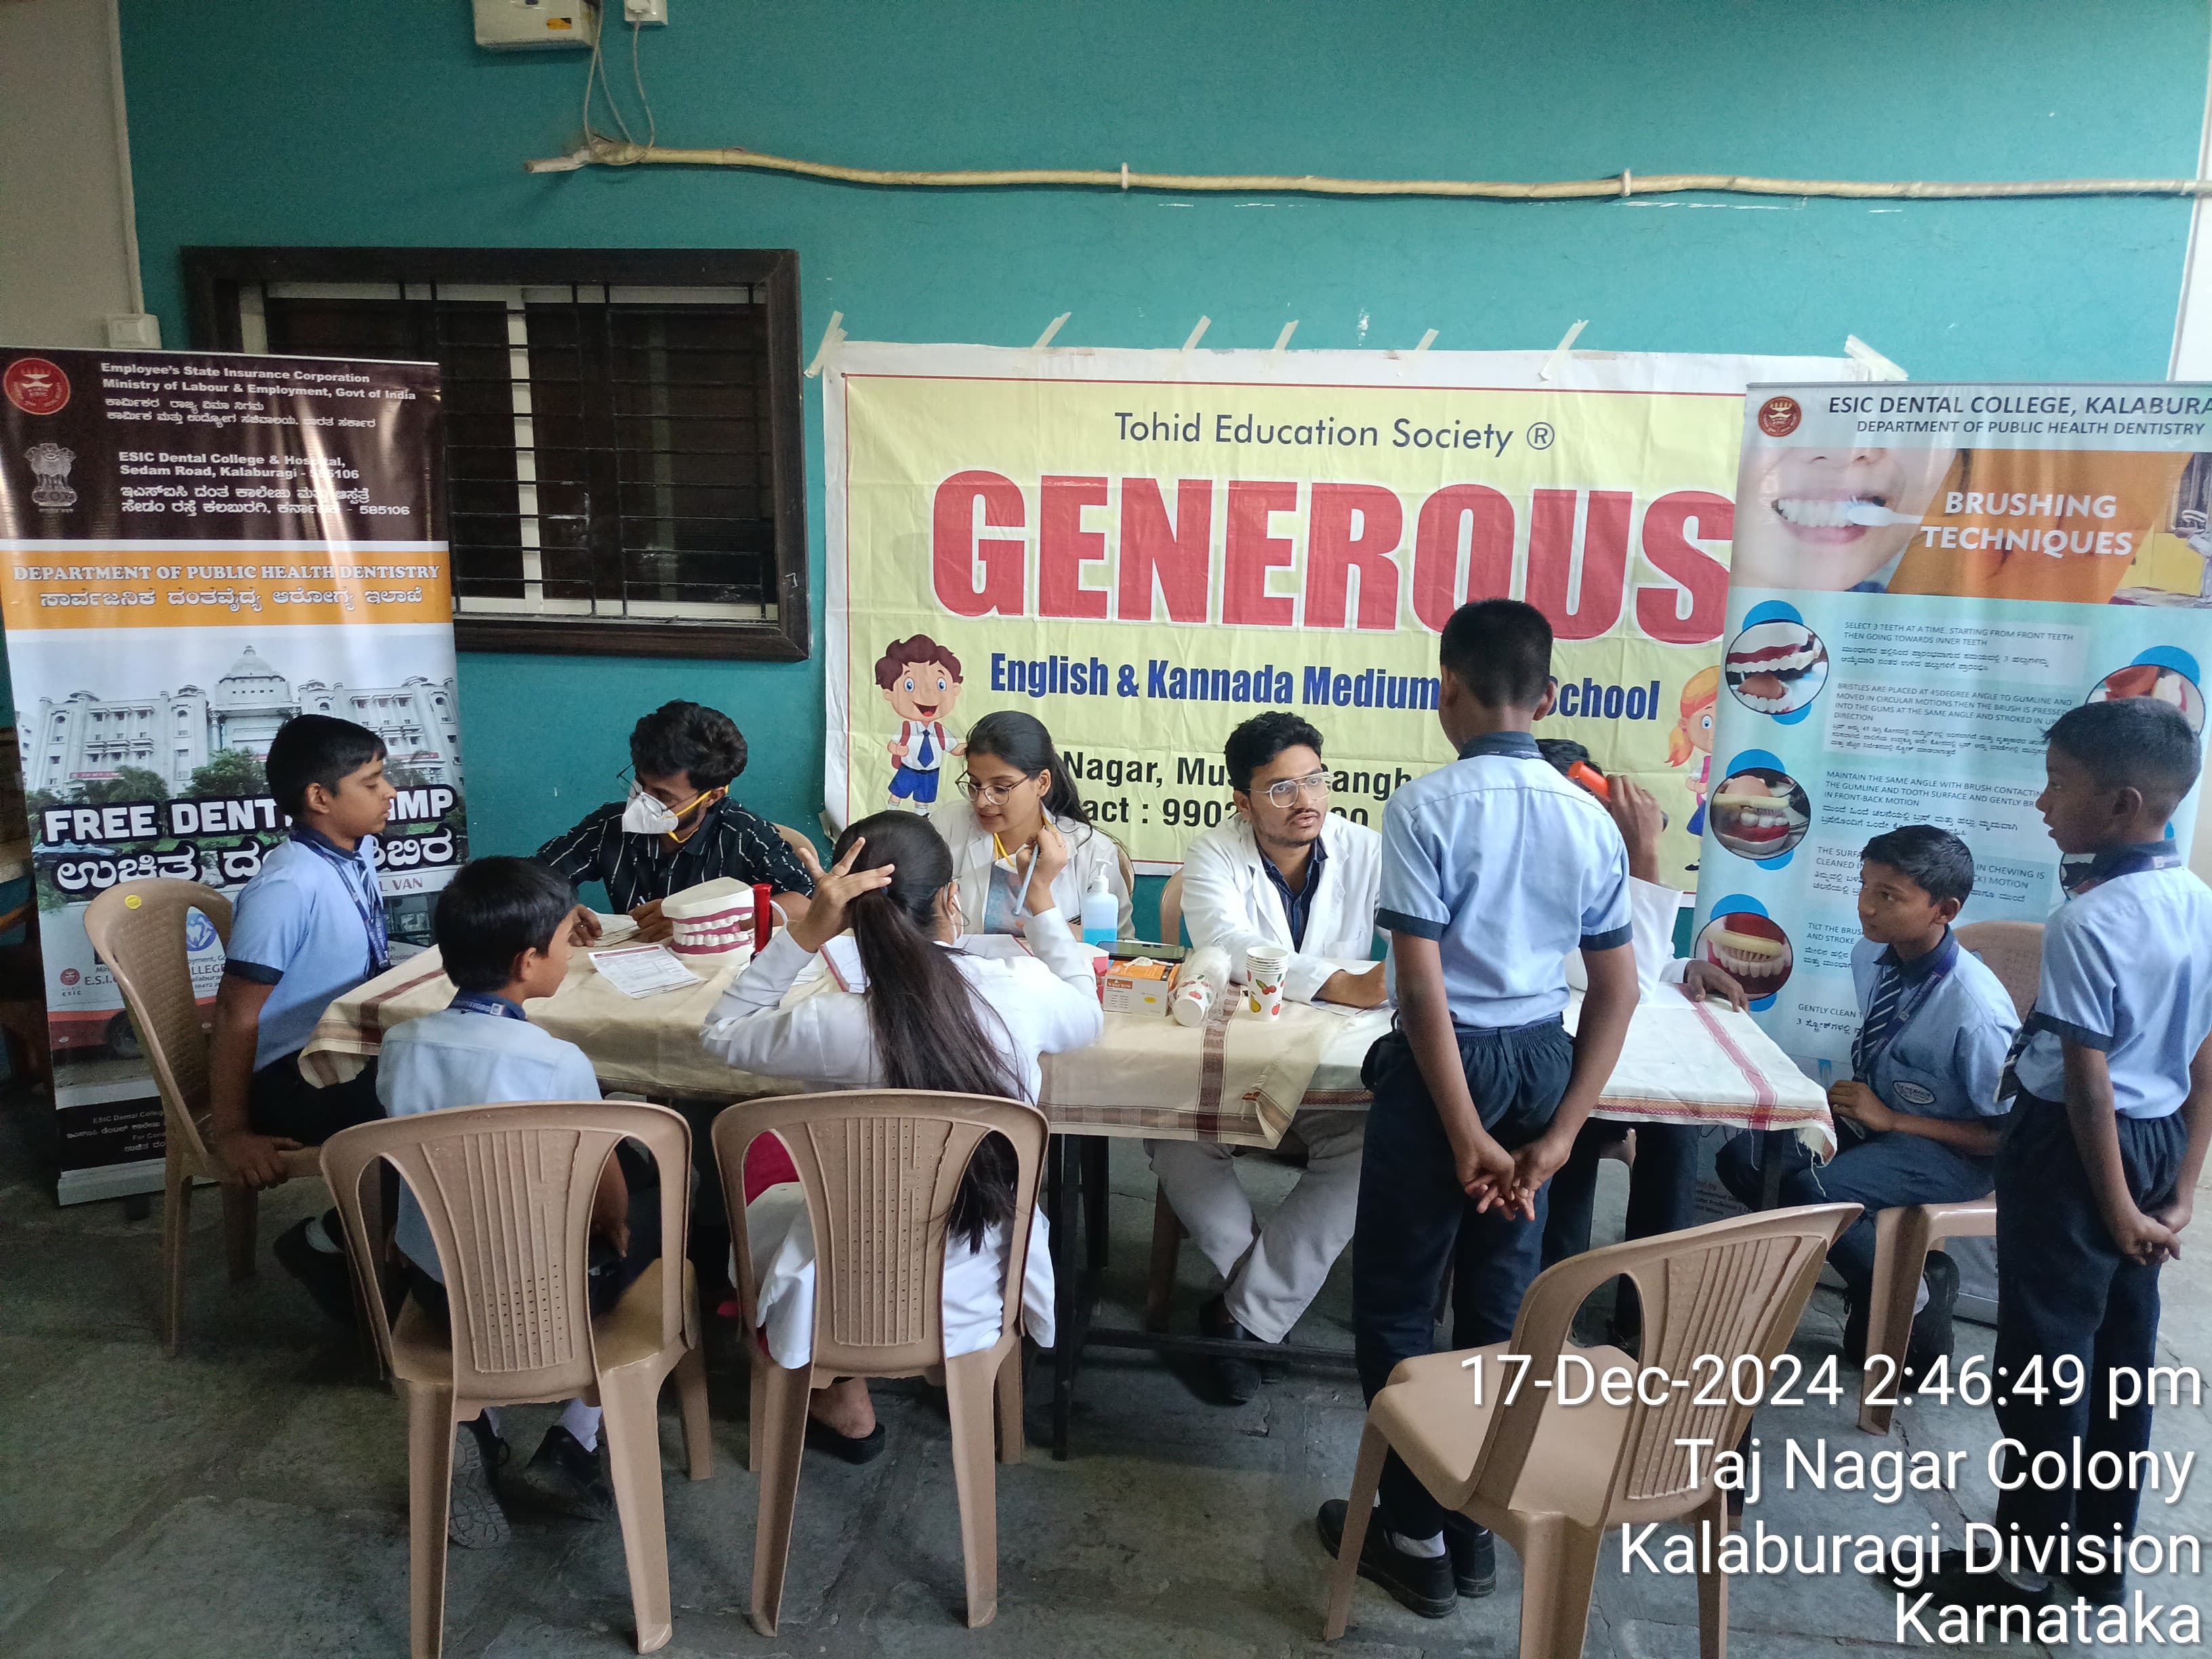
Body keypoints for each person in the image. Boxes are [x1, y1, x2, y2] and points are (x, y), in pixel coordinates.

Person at [1318, 600, 1640, 1620]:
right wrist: (1562, 1135)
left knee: (1398, 1299)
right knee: (1503, 1303)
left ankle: (1412, 1530)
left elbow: (1419, 991)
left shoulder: (1426, 807)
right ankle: (1477, 1522)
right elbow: (1619, 989)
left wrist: (1461, 1131)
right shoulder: (1589, 818)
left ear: (1446, 689)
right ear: (1548, 697)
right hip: (1543, 1061)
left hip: (1448, 1069)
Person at [1921, 699, 2212, 1616]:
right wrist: (2179, 1193)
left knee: (2043, 1365)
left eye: (2058, 784)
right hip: (2156, 1143)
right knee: (2120, 1359)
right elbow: (2204, 1060)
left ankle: (2020, 1575)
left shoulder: (2090, 920)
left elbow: (2087, 1082)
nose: (2043, 802)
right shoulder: (2200, 903)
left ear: (2123, 804)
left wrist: (2114, 1206)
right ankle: (2095, 1558)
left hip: (2076, 1151)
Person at [699, 811, 1102, 1460]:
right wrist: (1043, 903)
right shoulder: (1021, 991)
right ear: (951, 899)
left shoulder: (829, 1022)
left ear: (846, 914)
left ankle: (835, 1387)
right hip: (978, 1288)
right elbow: (1088, 1014)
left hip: (837, 1294)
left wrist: (803, 936)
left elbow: (721, 1033)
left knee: (767, 1150)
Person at [375, 857, 659, 1547]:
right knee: (659, 1212)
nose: (570, 953)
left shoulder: (399, 1043)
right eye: (565, 942)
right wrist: (617, 1222)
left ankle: (476, 1424)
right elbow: (606, 1192)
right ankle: (575, 1440)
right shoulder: (556, 1062)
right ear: (528, 962)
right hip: (547, 1303)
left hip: (437, 1289)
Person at [1716, 825, 2017, 1374]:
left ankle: (1910, 1304)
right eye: (1864, 886)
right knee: (1747, 1159)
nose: (1866, 907)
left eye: (1888, 896)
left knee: (1815, 1192)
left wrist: (1894, 1119)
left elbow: (2004, 1137)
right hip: (1876, 1120)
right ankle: (1888, 1279)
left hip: (1955, 1152)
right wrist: (1876, 1115)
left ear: (1944, 910)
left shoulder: (1976, 1011)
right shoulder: (1870, 954)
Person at [1147, 712, 1381, 1403]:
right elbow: (1227, 943)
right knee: (1171, 1134)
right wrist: (1340, 982)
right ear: (1243, 802)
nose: (1306, 800)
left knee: (1374, 1147)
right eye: (1281, 789)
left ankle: (1239, 1315)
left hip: (1335, 1070)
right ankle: (1260, 1304)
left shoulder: (1367, 849)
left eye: (1315, 780)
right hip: (1240, 1067)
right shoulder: (1214, 854)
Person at [1536, 740, 1746, 1296]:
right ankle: (1554, 1302)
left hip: (1602, 1056)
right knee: (1573, 1129)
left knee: (1673, 1127)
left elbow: (1635, 961)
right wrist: (1645, 853)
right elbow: (1618, 978)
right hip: (1548, 1066)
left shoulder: (1596, 861)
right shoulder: (1529, 864)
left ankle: (1647, 1306)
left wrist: (1684, 966)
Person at [207, 714, 397, 1321]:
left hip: (344, 1050)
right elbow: (235, 1015)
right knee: (428, 1116)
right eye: (372, 782)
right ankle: (323, 1243)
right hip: (290, 1080)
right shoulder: (288, 886)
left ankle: (407, 1254)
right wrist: (232, 1131)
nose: (390, 792)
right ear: (320, 797)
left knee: (457, 1081)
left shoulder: (353, 855)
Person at [537, 701, 815, 944]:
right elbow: (532, 880)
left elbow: (806, 903)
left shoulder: (745, 835)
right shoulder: (610, 825)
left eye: (662, 796)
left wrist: (702, 921)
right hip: (631, 968)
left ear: (711, 797)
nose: (642, 801)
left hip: (717, 970)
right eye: (640, 784)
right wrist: (559, 912)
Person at [934, 709, 1130, 937]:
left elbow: (1121, 946)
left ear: (1042, 783)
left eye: (1001, 788)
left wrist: (1073, 934)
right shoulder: (946, 827)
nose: (982, 801)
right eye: (975, 784)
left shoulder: (1093, 851)